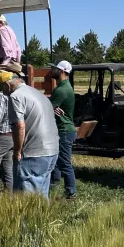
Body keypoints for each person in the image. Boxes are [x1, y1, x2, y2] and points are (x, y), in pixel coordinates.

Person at [3, 63, 59, 199]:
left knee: (27, 199)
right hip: (52, 150)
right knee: (41, 194)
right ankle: (43, 219)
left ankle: (30, 221)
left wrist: (17, 151)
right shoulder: (36, 93)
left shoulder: (16, 96)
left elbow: (19, 126)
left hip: (34, 153)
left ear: (7, 85)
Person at [48, 60, 77, 200]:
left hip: (64, 130)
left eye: (55, 69)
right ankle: (54, 184)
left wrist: (50, 106)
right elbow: (51, 106)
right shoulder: (65, 87)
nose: (52, 71)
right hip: (65, 130)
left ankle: (71, 192)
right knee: (57, 160)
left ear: (62, 72)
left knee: (65, 162)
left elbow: (46, 109)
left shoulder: (61, 90)